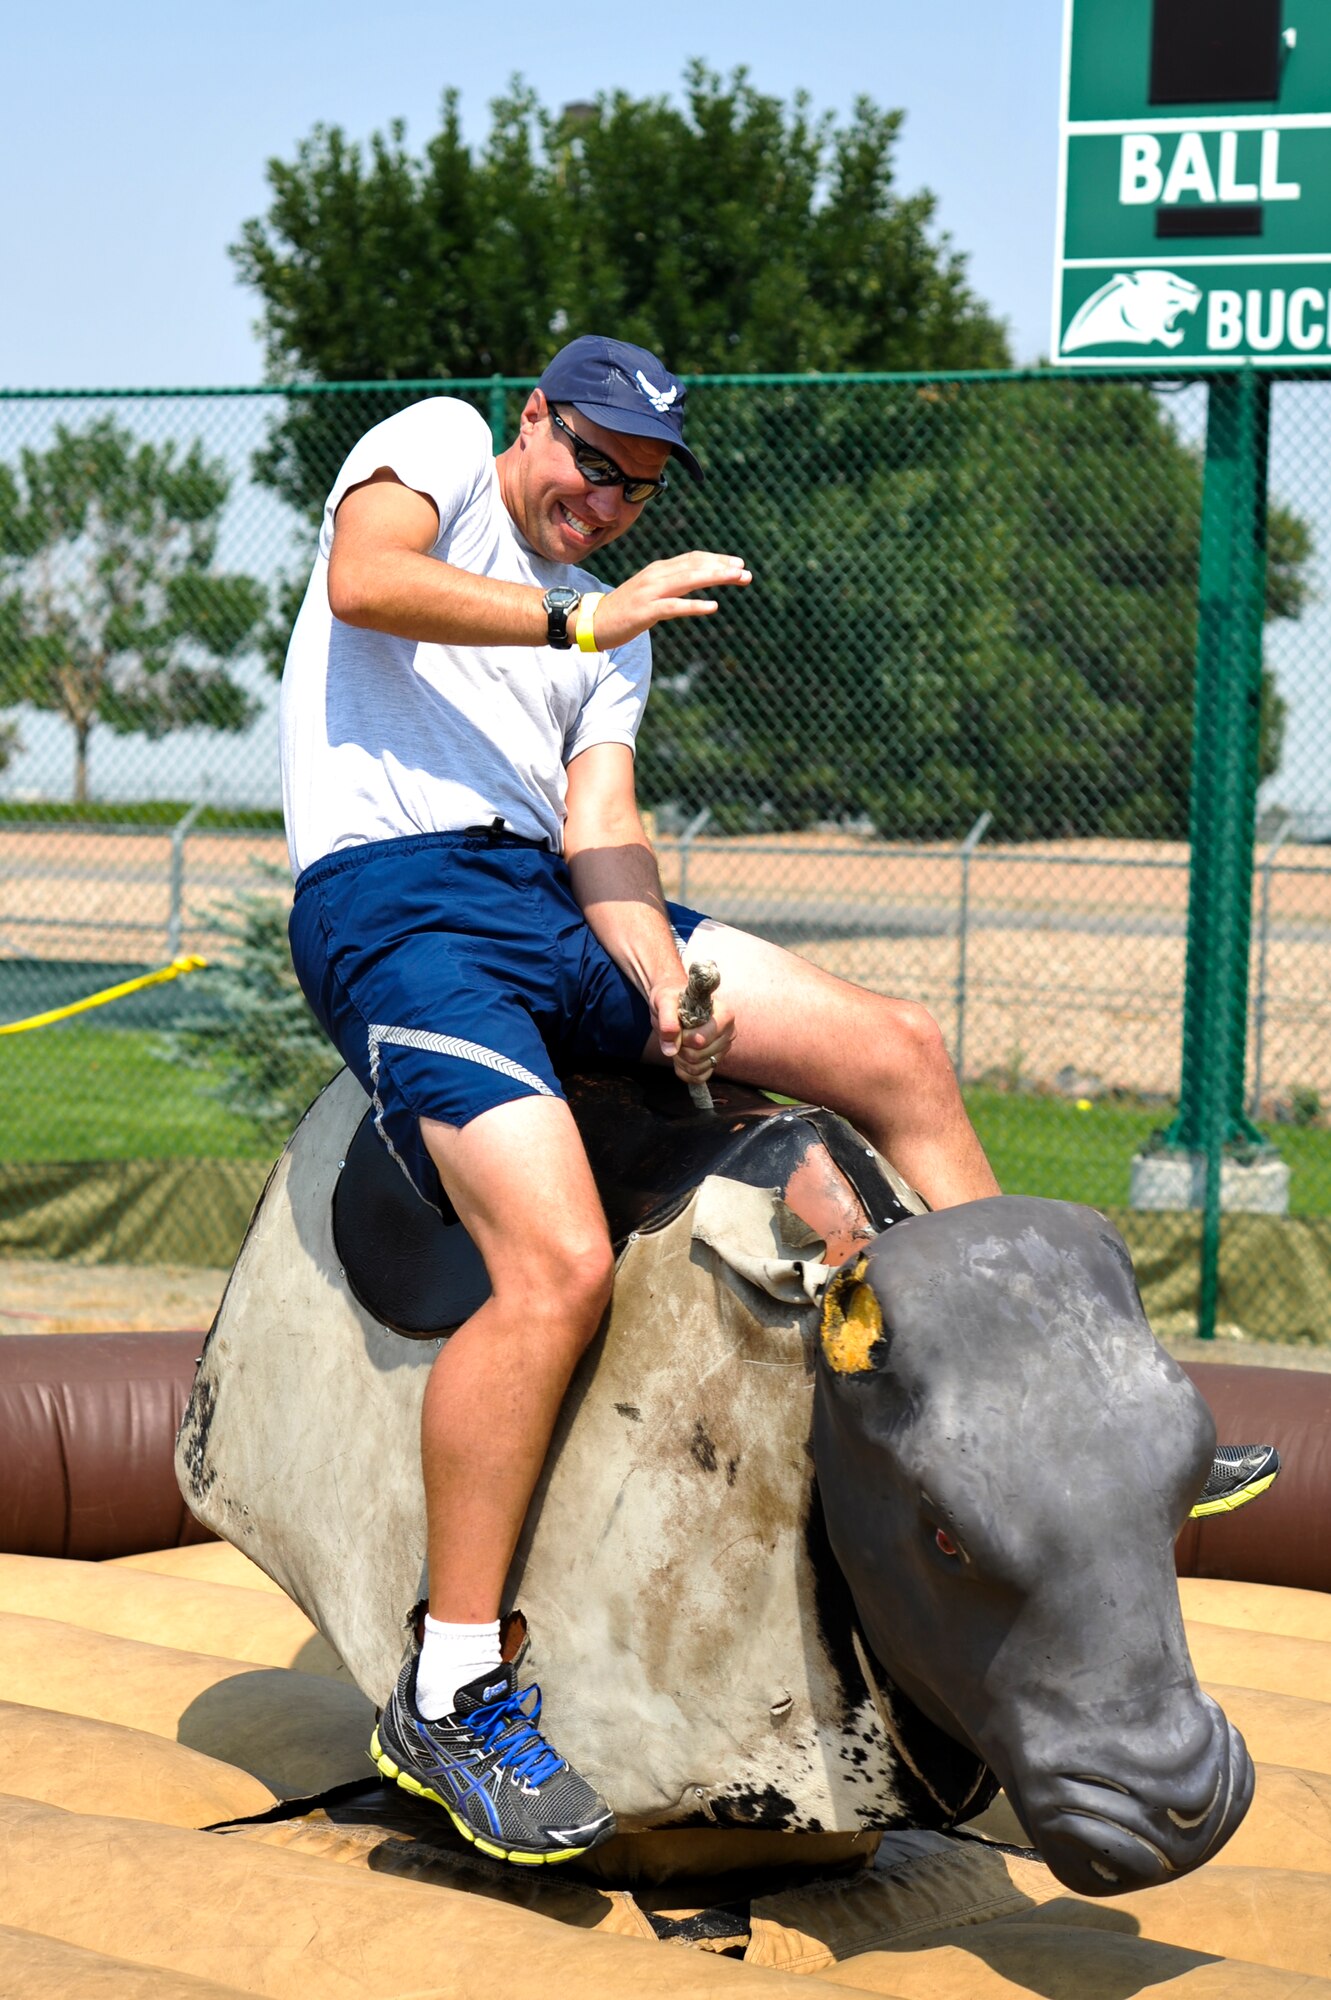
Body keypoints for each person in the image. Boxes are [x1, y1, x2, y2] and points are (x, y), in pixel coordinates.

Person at [279, 333, 1276, 1869]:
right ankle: (453, 1684)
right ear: (532, 420)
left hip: (551, 904)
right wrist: (577, 611)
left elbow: (602, 830)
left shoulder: (613, 636)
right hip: (398, 906)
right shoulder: (435, 459)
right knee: (555, 1261)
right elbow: (367, 581)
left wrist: (655, 983)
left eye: (640, 487)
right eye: (591, 463)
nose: (607, 502)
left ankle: (1064, 1412)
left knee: (900, 1054)